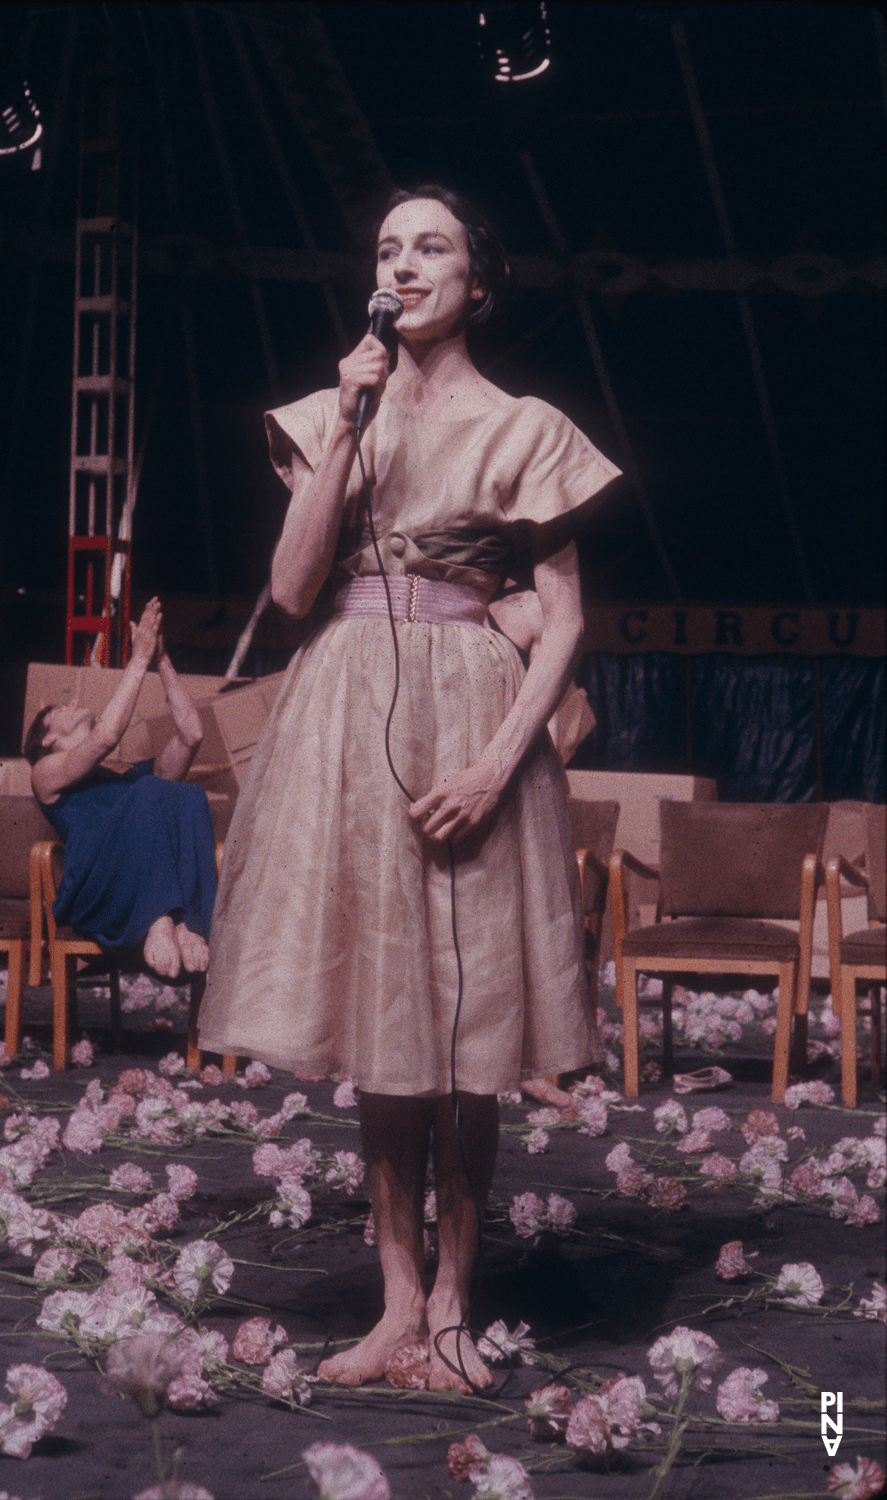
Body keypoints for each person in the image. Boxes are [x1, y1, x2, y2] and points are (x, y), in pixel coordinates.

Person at [197, 186, 621, 1391]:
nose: (404, 262)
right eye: (388, 248)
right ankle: (390, 1306)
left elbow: (566, 625)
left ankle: (450, 1305)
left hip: (475, 713)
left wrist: (494, 767)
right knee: (384, 1031)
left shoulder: (527, 426)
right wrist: (345, 422)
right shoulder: (341, 409)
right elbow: (289, 592)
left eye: (429, 245)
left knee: (466, 1027)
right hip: (343, 705)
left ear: (476, 281)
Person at [25, 598, 216, 980]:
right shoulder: (45, 772)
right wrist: (138, 659)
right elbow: (105, 736)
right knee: (149, 791)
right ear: (47, 740)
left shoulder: (133, 774)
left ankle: (188, 924)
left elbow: (192, 733)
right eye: (61, 708)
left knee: (188, 793)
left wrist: (161, 660)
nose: (74, 700)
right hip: (98, 887)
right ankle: (157, 921)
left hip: (144, 877)